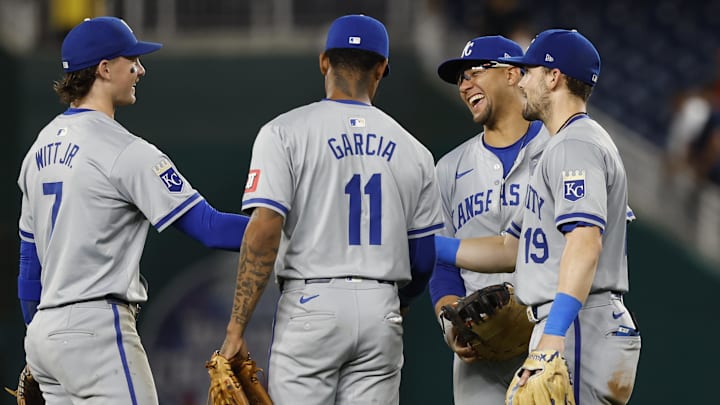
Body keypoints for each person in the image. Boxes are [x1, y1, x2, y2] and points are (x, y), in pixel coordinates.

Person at [17, 16, 250, 404]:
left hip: (45, 338)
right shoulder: (123, 150)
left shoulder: (38, 150)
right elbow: (209, 227)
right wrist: (281, 228)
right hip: (97, 331)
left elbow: (30, 268)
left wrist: (40, 335)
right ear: (104, 69)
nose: (140, 69)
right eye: (132, 60)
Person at [216, 14, 444, 405]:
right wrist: (396, 305)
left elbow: (265, 228)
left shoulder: (284, 132)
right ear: (382, 68)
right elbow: (423, 258)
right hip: (381, 306)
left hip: (312, 304)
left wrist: (237, 328)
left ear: (324, 61)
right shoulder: (415, 151)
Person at [436, 29, 641, 404]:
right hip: (569, 321)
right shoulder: (559, 147)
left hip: (579, 322)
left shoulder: (575, 145)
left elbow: (585, 242)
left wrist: (552, 337)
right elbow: (508, 246)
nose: (522, 81)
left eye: (528, 72)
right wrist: (428, 245)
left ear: (553, 77)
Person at [429, 35, 549, 404]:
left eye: (475, 71)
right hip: (478, 348)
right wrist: (450, 326)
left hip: (551, 335)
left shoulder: (561, 146)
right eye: (460, 77)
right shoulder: (448, 168)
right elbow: (442, 265)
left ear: (513, 74)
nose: (464, 84)